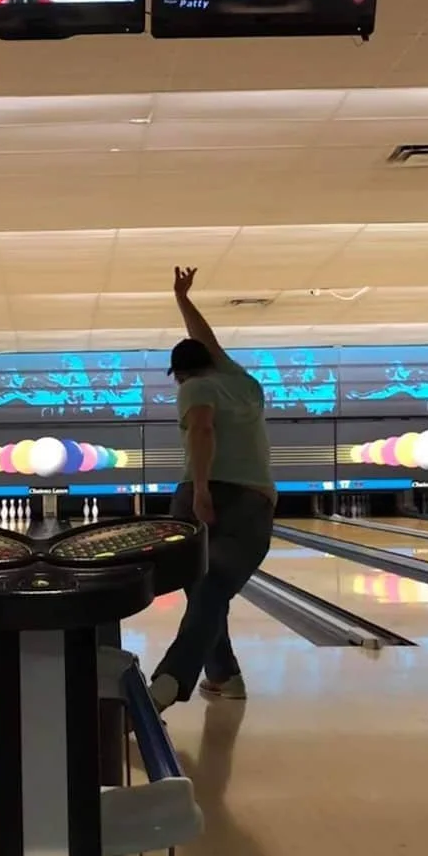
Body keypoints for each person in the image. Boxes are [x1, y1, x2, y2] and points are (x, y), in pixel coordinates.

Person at [148, 267, 276, 712]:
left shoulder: (195, 387)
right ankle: (223, 676)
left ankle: (169, 680)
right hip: (255, 502)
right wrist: (182, 298)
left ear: (178, 375)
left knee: (207, 588)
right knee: (212, 590)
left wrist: (201, 489)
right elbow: (205, 336)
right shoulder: (241, 382)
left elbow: (202, 430)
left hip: (200, 497)